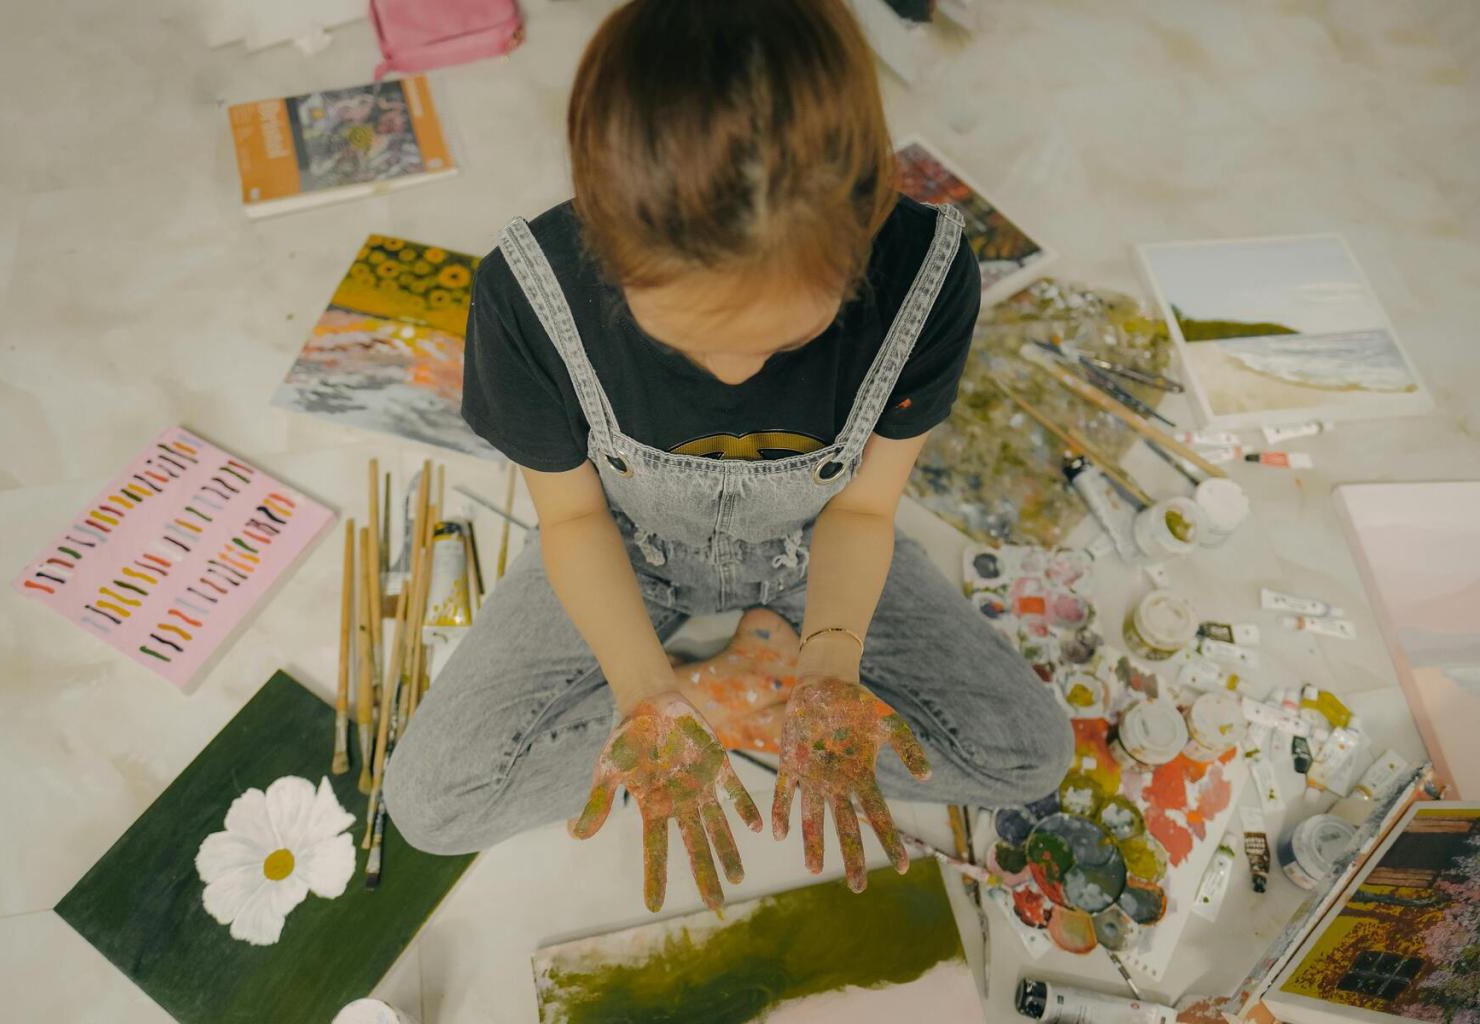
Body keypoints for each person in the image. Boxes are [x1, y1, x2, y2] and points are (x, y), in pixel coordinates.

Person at [383, 0, 1072, 913]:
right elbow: (575, 515)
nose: (737, 370)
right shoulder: (529, 291)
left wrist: (829, 666)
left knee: (1028, 756)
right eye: (692, 338)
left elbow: (862, 509)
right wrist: (648, 696)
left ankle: (765, 691)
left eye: (781, 337)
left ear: (860, 227)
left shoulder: (927, 273)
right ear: (605, 239)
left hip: (813, 547)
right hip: (624, 545)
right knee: (429, 803)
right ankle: (722, 698)